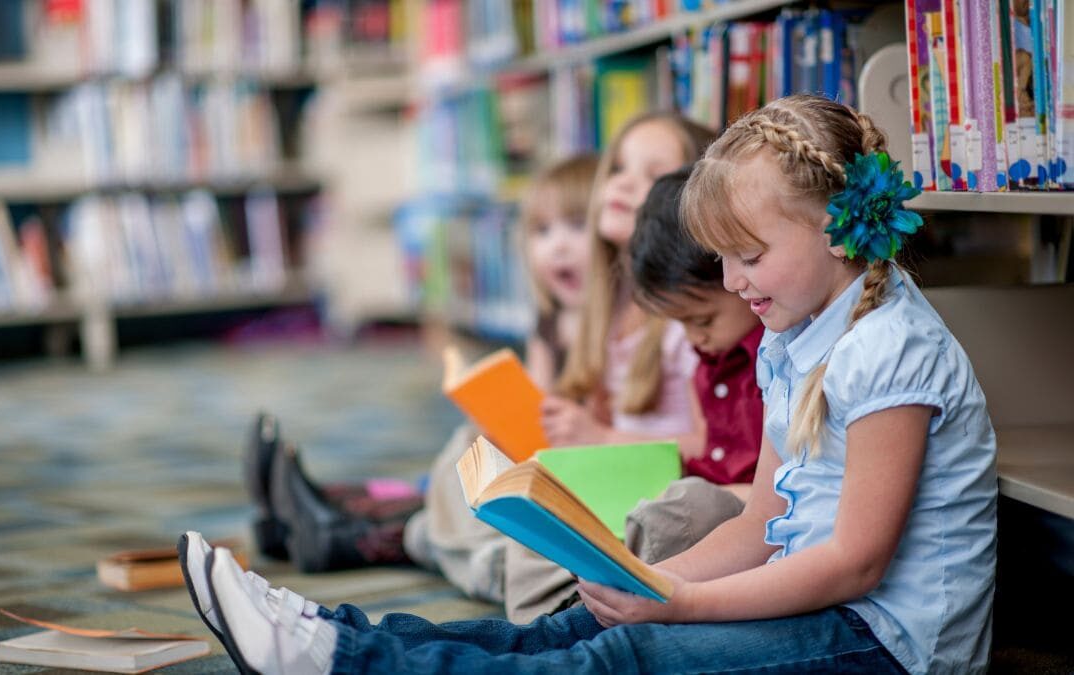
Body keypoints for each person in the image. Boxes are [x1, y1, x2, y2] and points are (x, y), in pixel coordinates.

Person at [182, 94, 998, 674]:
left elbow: (855, 564)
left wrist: (678, 601)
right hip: (826, 605)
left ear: (834, 229)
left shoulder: (888, 348)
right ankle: (335, 636)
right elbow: (765, 516)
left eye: (749, 257)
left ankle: (340, 663)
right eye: (722, 258)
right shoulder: (791, 335)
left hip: (888, 642)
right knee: (572, 628)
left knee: (625, 655)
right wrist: (646, 577)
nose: (732, 281)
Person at [240, 154, 601, 580]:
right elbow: (538, 412)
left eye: (577, 227)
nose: (558, 245)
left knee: (449, 494)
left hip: (576, 475)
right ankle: (314, 512)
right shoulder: (549, 323)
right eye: (543, 231)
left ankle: (335, 526)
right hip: (545, 461)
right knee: (458, 464)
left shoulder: (616, 328)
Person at [507, 166, 766, 624]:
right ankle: (567, 602)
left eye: (701, 322)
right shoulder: (710, 354)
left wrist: (605, 438)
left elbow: (769, 494)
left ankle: (581, 606)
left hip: (723, 509)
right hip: (679, 488)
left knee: (677, 508)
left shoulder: (769, 358)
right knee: (542, 497)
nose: (693, 338)